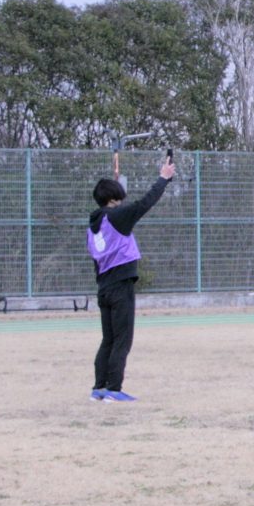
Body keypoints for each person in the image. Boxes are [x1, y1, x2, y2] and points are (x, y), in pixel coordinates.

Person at [85, 153, 175, 402]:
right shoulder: (116, 216)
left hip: (103, 287)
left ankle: (99, 388)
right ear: (113, 199)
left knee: (108, 340)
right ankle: (114, 389)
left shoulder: (93, 225)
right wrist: (163, 179)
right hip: (120, 286)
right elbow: (143, 204)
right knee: (123, 340)